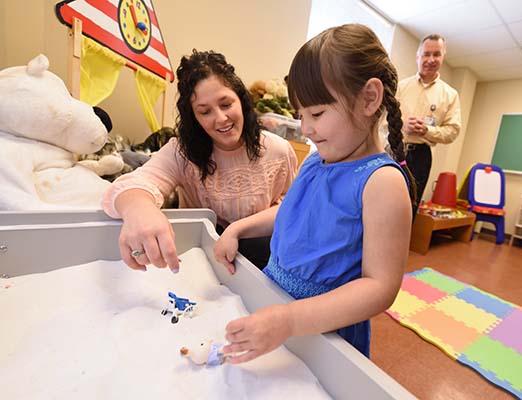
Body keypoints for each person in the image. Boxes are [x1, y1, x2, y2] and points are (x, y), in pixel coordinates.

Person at [214, 24, 414, 363]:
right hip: (275, 303)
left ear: (369, 98)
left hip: (324, 330)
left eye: (317, 114)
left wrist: (290, 320)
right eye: (301, 115)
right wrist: (238, 228)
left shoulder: (382, 182)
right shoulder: (316, 160)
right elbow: (295, 212)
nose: (306, 128)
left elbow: (380, 288)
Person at [102, 50, 297, 271]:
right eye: (205, 112)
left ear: (241, 101)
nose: (221, 119)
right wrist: (139, 209)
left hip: (261, 257)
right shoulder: (182, 152)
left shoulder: (278, 150)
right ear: (194, 118)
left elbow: (292, 208)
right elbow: (132, 186)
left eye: (226, 104)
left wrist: (237, 230)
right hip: (202, 256)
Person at [397, 34, 461, 205]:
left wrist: (427, 130)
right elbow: (381, 120)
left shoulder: (450, 95)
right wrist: (401, 125)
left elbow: (453, 131)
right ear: (418, 56)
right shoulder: (400, 87)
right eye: (426, 54)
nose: (431, 59)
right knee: (382, 199)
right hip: (394, 150)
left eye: (436, 54)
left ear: (443, 56)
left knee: (411, 204)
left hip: (421, 156)